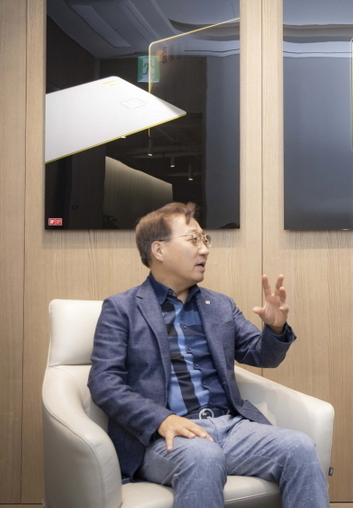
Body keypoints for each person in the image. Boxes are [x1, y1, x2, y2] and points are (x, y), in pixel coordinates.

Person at [88, 202, 329, 508]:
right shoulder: (122, 308)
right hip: (162, 438)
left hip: (230, 427)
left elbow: (262, 356)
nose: (205, 250)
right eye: (193, 240)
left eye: (205, 240)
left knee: (300, 447)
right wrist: (162, 419)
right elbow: (104, 382)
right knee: (204, 456)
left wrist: (275, 328)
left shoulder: (220, 305)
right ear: (158, 250)